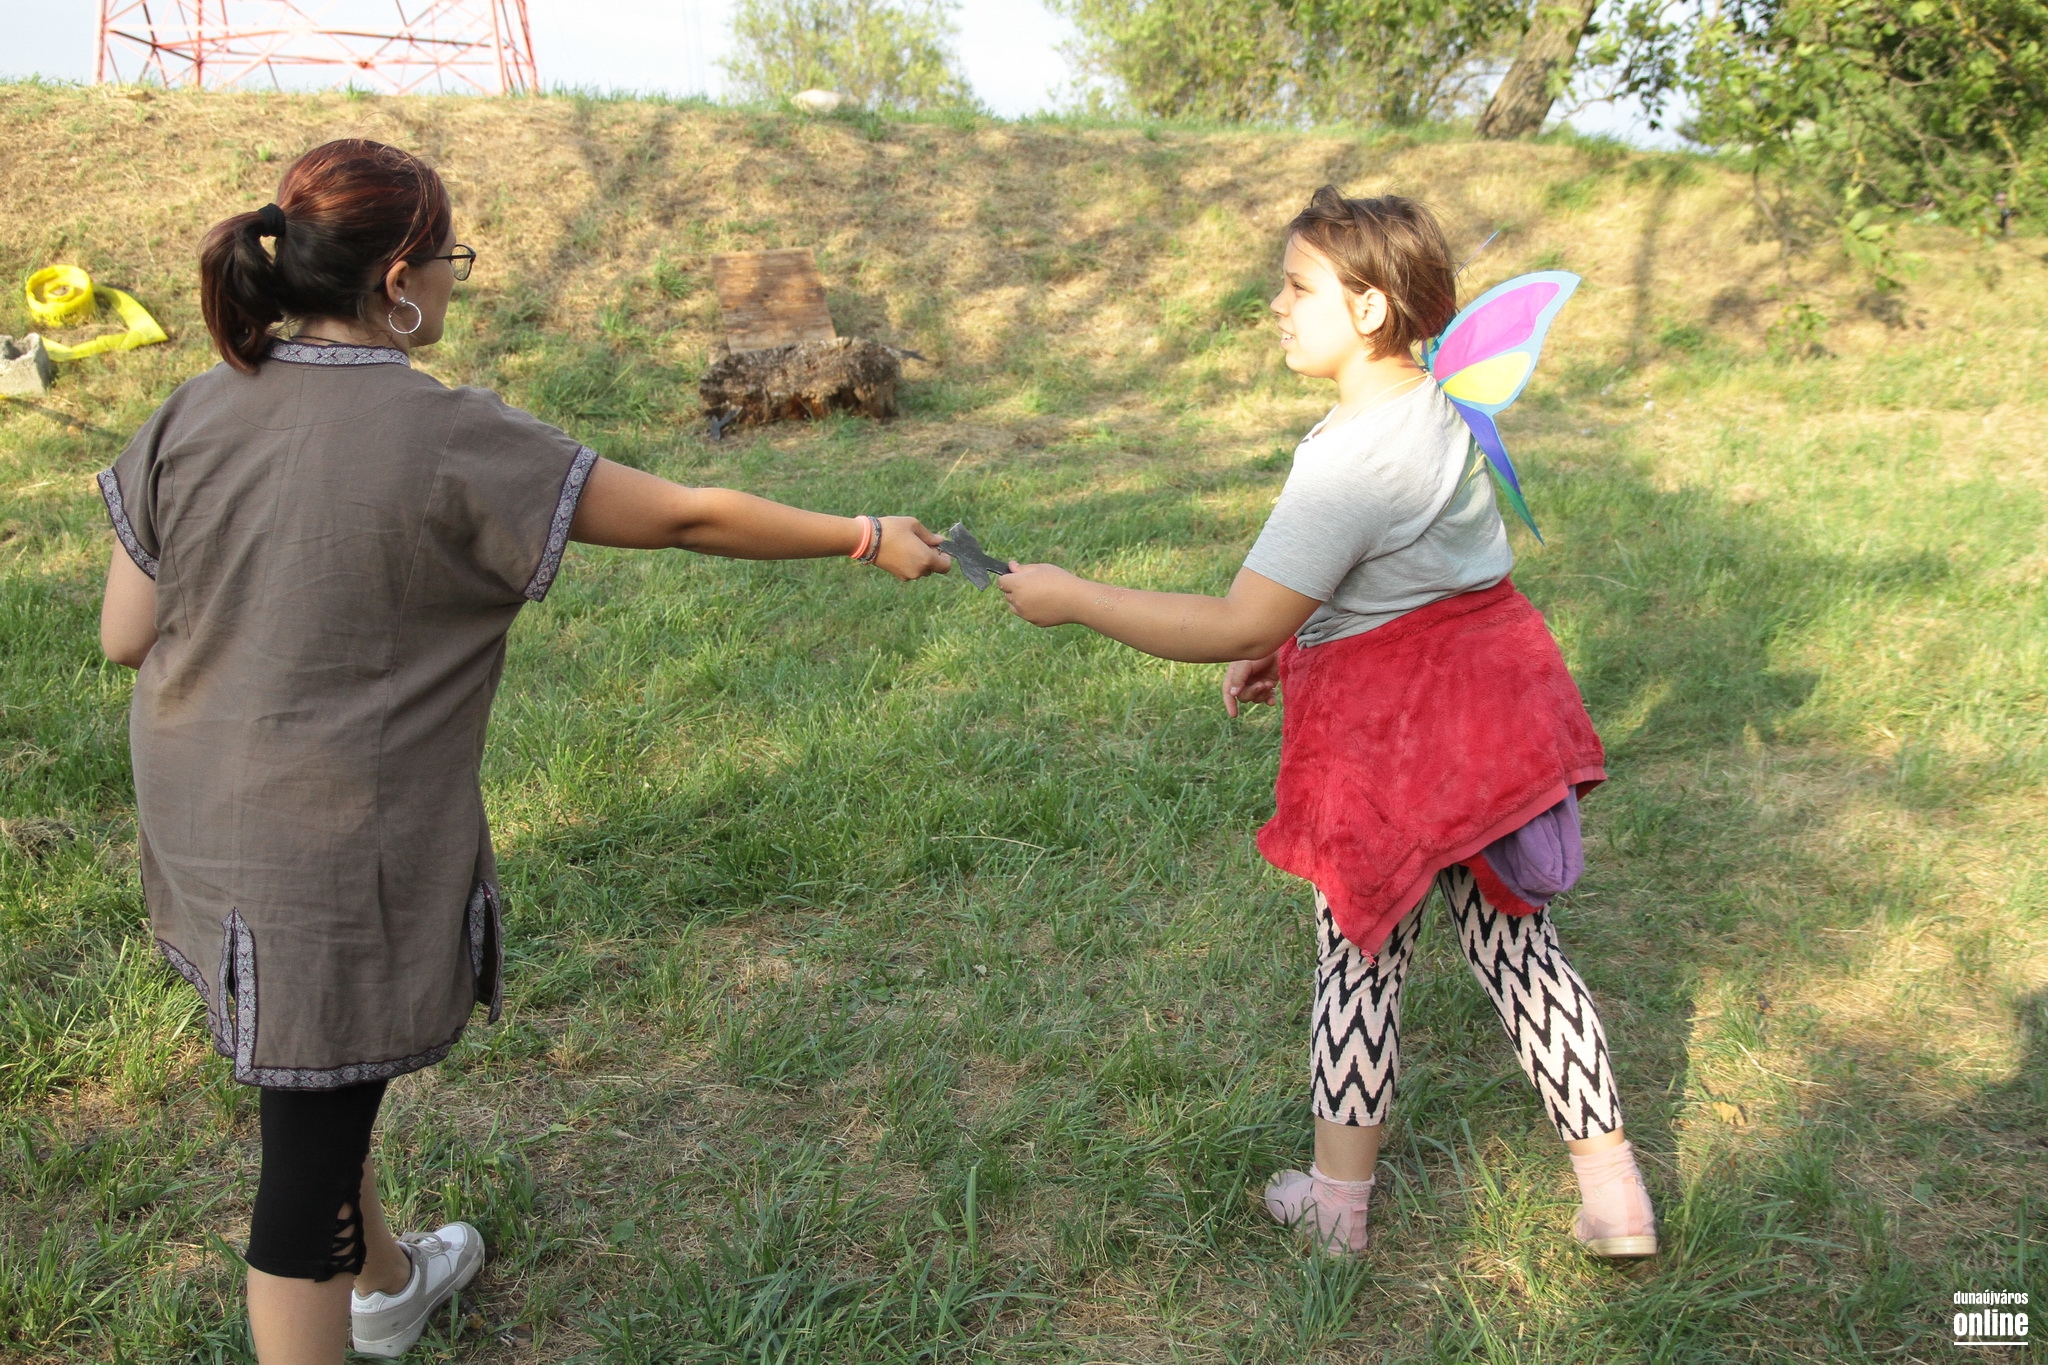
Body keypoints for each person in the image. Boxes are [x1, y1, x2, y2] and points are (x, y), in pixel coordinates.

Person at [95, 139, 950, 1363]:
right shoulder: (449, 434)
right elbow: (684, 514)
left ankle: (388, 1283)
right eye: (452, 257)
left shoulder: (191, 406)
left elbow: (125, 636)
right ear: (399, 278)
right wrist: (861, 533)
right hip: (326, 846)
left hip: (194, 818)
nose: (457, 277)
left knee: (313, 1078)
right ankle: (350, 1303)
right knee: (302, 1168)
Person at [998, 186, 1656, 1260]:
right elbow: (1407, 569)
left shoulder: (1349, 458)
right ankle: (1615, 1196)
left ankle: (1336, 1207)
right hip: (1491, 721)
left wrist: (1077, 597)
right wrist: (1294, 635)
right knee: (1518, 950)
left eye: (1298, 286)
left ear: (1368, 308)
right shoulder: (1436, 402)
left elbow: (1236, 617)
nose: (1276, 304)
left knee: (1359, 951)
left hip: (1392, 741)